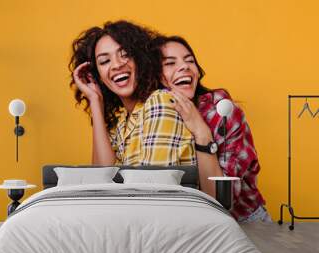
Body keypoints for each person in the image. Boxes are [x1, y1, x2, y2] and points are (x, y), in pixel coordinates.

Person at [152, 35, 270, 222]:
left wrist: (201, 131)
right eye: (170, 63)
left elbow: (220, 201)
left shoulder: (223, 113)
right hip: (190, 224)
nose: (184, 66)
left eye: (189, 60)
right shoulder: (153, 114)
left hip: (243, 222)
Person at [69, 21, 196, 167]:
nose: (117, 64)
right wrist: (95, 100)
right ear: (98, 76)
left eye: (126, 54)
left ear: (141, 59)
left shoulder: (161, 101)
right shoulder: (121, 121)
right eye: (104, 61)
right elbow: (101, 177)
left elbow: (151, 186)